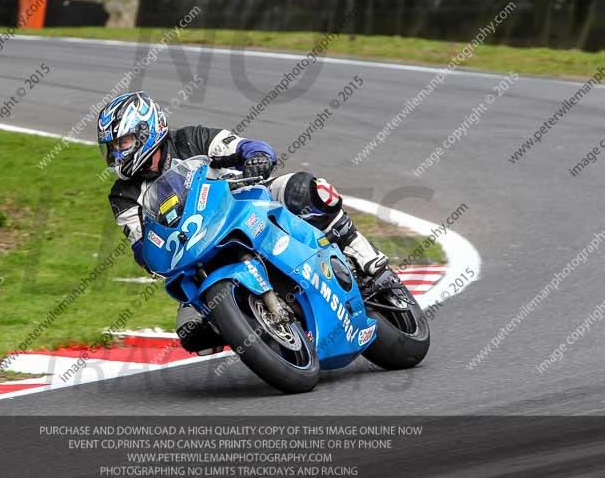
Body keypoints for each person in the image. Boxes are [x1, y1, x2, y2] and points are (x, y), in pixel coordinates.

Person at [99, 91, 388, 353]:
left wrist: (257, 156)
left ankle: (365, 258)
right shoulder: (122, 196)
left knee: (308, 189)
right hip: (193, 251)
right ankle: (249, 327)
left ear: (146, 131)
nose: (116, 154)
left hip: (245, 202)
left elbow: (244, 145)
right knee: (190, 332)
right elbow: (141, 244)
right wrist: (152, 254)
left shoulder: (190, 139)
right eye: (111, 147)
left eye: (122, 143)